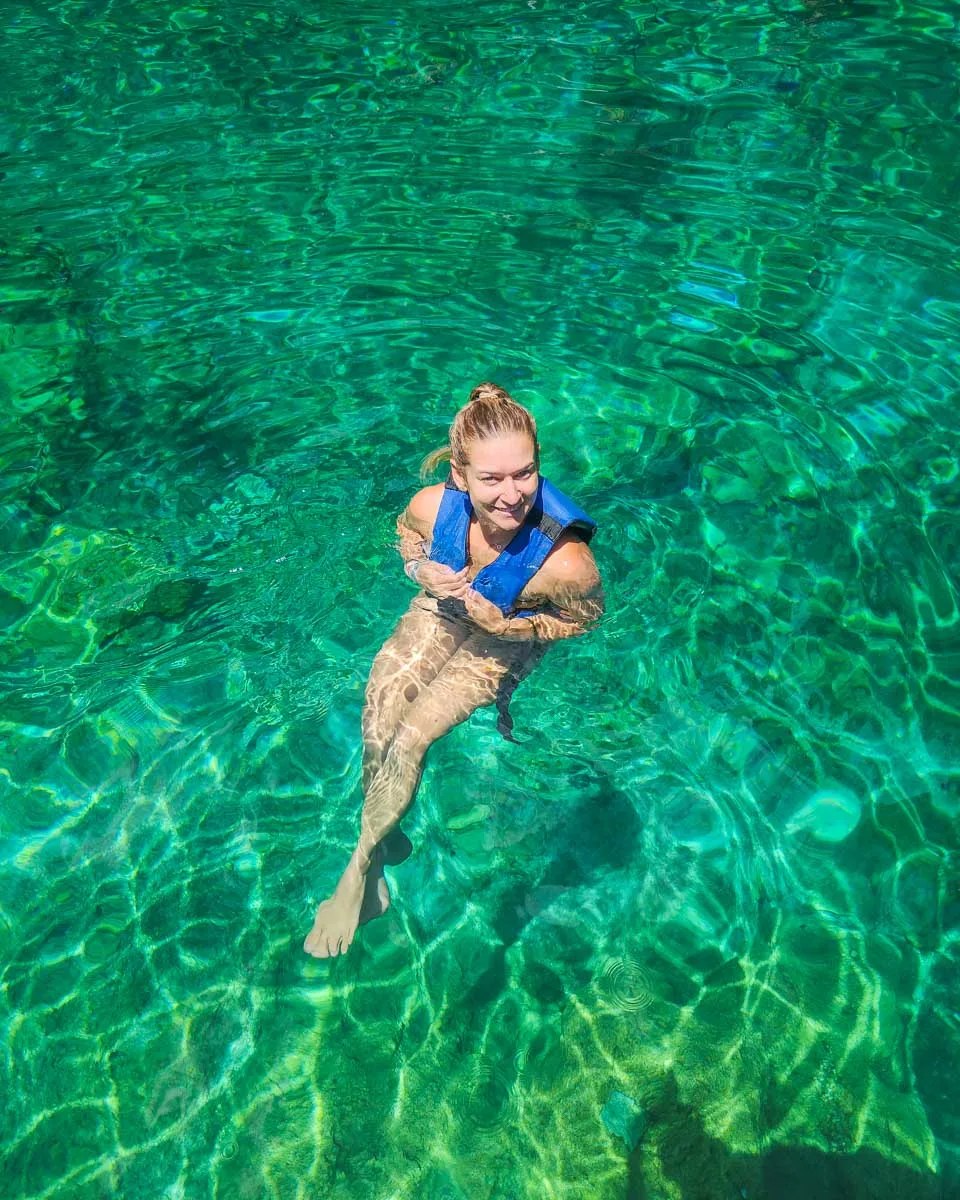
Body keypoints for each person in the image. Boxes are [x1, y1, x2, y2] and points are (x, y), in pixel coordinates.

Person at [303, 383, 604, 958]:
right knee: (379, 714)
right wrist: (419, 568)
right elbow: (406, 534)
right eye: (491, 479)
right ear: (461, 476)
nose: (512, 495)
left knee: (413, 736)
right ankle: (382, 841)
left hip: (506, 636)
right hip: (441, 607)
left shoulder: (567, 563)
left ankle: (359, 870)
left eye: (525, 474)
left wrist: (517, 628)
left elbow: (584, 620)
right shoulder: (432, 505)